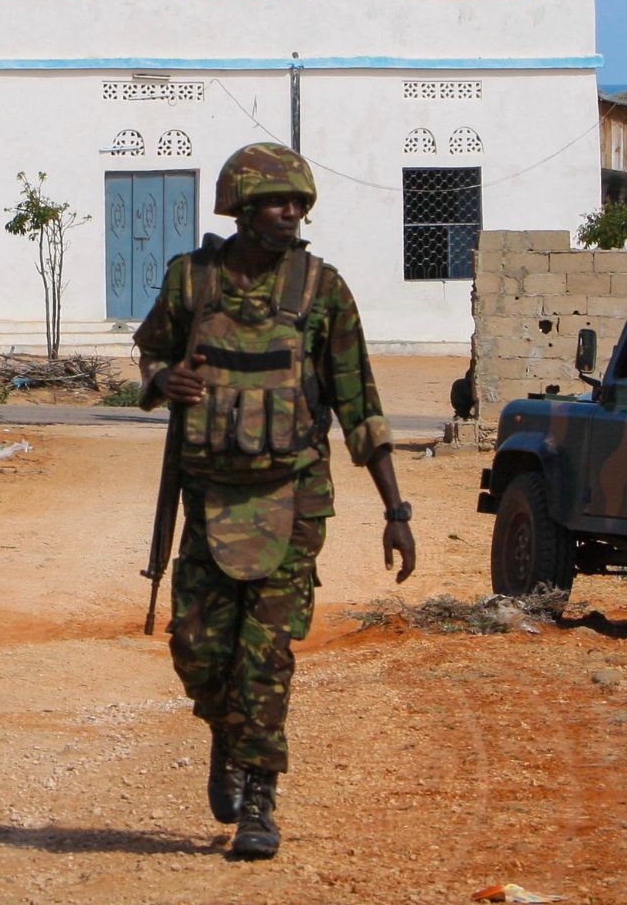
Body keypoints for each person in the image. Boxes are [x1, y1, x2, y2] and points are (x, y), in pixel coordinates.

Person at [135, 141, 417, 861]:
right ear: (240, 205)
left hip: (293, 498)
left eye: (298, 202)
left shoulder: (321, 290)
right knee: (198, 648)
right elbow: (152, 353)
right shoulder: (190, 281)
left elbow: (360, 401)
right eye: (276, 201)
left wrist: (396, 511)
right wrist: (165, 380)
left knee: (265, 655)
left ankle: (260, 800)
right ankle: (226, 734)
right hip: (208, 497)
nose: (290, 212)